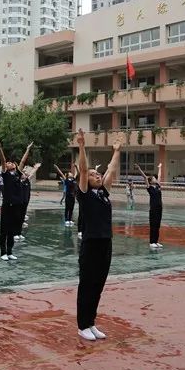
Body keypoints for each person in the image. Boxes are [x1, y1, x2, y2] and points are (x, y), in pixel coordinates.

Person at [74, 129, 121, 341]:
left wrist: (117, 151)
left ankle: (91, 322)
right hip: (91, 243)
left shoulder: (103, 193)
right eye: (94, 174)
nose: (97, 175)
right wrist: (82, 146)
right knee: (87, 284)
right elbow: (83, 170)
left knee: (98, 285)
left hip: (106, 243)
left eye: (97, 174)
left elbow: (111, 170)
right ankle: (82, 325)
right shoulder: (84, 194)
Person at [0, 139, 32, 260]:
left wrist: (27, 149)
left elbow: (22, 161)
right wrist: (0, 148)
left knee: (12, 230)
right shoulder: (5, 174)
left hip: (16, 206)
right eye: (8, 163)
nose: (9, 164)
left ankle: (10, 251)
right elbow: (2, 160)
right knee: (4, 230)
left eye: (11, 163)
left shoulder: (17, 174)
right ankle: (3, 252)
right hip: (7, 205)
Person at [137, 163, 164, 249]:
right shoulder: (150, 188)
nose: (156, 179)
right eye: (154, 178)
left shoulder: (158, 186)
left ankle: (156, 241)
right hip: (153, 209)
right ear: (150, 181)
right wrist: (139, 169)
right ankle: (152, 242)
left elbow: (159, 176)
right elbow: (145, 177)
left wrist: (159, 168)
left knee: (158, 225)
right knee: (153, 225)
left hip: (160, 208)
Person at [16, 163, 41, 241]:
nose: (25, 174)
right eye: (24, 174)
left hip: (25, 200)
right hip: (19, 201)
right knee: (18, 216)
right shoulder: (18, 181)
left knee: (23, 213)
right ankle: (15, 233)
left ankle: (21, 228)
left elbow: (32, 173)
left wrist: (36, 168)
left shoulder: (27, 180)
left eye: (26, 174)